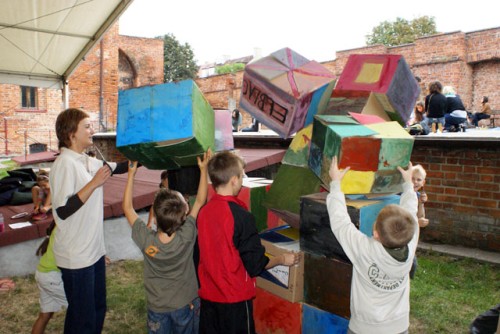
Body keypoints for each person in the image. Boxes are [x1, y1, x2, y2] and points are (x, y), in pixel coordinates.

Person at [197, 150, 300, 334]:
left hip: (208, 300)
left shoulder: (203, 213)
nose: (243, 180)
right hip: (233, 302)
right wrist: (282, 259)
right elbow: (255, 265)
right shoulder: (242, 217)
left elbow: (198, 255)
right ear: (234, 180)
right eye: (241, 176)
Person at [50, 108, 128, 334]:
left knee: (97, 310)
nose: (92, 129)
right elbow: (63, 210)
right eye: (87, 126)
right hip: (76, 257)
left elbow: (119, 168)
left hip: (93, 252)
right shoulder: (65, 163)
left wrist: (144, 154)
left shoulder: (86, 160)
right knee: (81, 319)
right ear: (71, 134)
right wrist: (93, 183)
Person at [122, 149, 211, 334]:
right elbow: (201, 200)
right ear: (184, 213)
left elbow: (128, 209)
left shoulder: (146, 239)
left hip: (157, 309)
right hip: (186, 304)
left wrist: (131, 174)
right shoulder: (187, 233)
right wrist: (203, 170)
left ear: (154, 214)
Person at [327, 156, 418, 334]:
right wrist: (408, 184)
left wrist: (336, 183)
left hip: (364, 328)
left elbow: (340, 222)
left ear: (375, 233)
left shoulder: (364, 250)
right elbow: (411, 211)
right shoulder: (411, 241)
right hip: (399, 326)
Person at [32, 221, 68, 334]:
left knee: (45, 315)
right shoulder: (66, 230)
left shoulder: (59, 226)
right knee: (80, 309)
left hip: (43, 273)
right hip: (52, 277)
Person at [409, 164, 429, 279]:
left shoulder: (417, 196)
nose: (415, 182)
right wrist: (417, 222)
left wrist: (421, 203)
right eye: (412, 178)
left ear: (423, 183)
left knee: (412, 264)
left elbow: (421, 216)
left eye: (418, 179)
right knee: (412, 263)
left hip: (411, 236)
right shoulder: (401, 195)